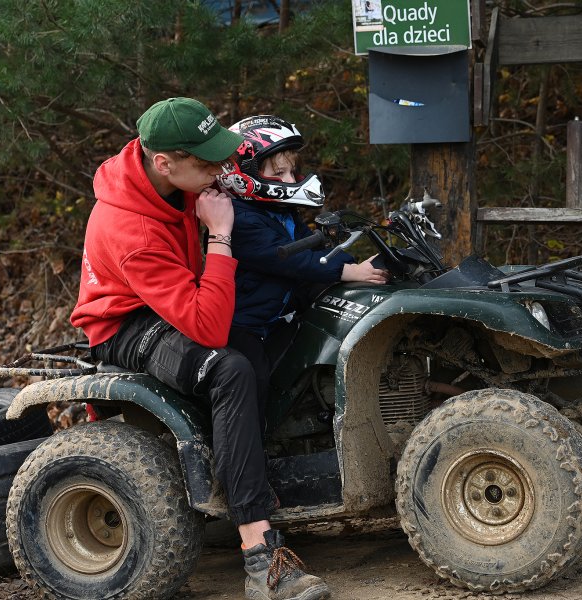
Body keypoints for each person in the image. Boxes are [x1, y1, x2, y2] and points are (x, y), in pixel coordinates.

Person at [70, 97, 330, 600]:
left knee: (263, 348)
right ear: (166, 163)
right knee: (229, 367)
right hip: (126, 321)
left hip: (185, 293)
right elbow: (208, 328)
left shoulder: (171, 171)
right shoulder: (133, 231)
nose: (221, 171)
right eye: (209, 163)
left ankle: (253, 477)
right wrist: (222, 235)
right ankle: (259, 553)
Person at [217, 114, 388, 406]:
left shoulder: (283, 212)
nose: (290, 180)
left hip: (278, 313)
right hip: (244, 325)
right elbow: (290, 260)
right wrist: (346, 270)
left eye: (291, 173)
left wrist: (358, 265)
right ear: (244, 173)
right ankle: (259, 439)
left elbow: (314, 248)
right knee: (253, 379)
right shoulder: (240, 220)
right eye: (279, 173)